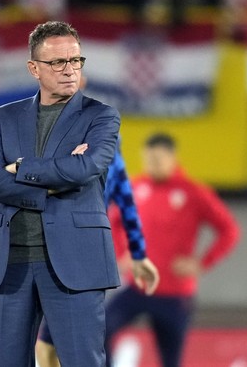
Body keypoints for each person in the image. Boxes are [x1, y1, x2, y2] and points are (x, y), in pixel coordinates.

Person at [0, 21, 158, 367]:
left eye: (76, 60)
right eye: (58, 62)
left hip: (77, 263)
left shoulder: (102, 116)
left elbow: (83, 169)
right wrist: (49, 185)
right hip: (10, 264)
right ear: (34, 69)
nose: (70, 70)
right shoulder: (4, 117)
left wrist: (20, 168)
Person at [105, 133, 240, 367]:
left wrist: (202, 263)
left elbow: (229, 230)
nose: (152, 165)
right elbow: (113, 220)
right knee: (101, 330)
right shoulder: (135, 188)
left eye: (157, 159)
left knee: (170, 360)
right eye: (148, 159)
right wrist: (120, 253)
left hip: (174, 292)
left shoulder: (193, 193)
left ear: (172, 158)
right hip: (138, 287)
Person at [35, 139, 159, 367]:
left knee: (53, 345)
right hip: (85, 261)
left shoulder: (72, 164)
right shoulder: (111, 164)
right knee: (59, 343)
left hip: (71, 261)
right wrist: (138, 255)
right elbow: (129, 211)